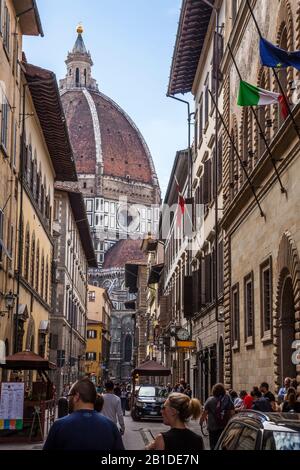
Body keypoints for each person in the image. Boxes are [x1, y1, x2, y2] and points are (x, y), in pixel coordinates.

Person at [43, 379, 124, 451]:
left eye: (70, 396)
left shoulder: (59, 426)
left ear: (76, 396)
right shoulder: (111, 427)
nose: (69, 399)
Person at [200, 383, 235, 450]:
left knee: (213, 444)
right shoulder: (227, 398)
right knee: (223, 443)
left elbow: (205, 413)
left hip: (212, 426)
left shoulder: (210, 400)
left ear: (214, 391)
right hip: (224, 425)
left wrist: (201, 421)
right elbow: (232, 411)